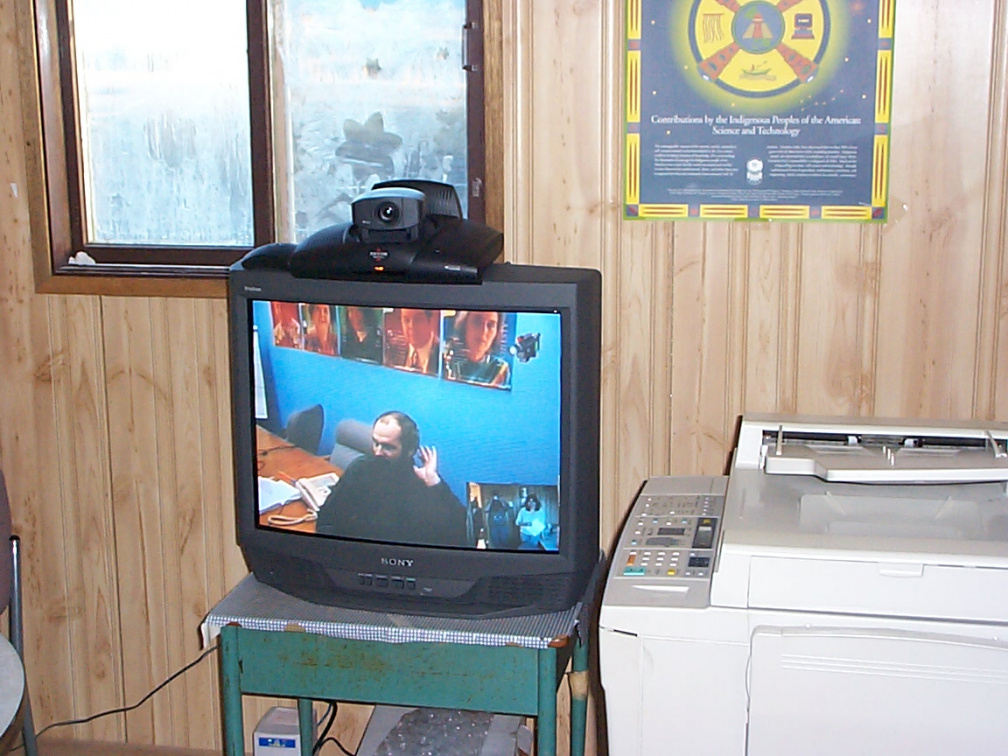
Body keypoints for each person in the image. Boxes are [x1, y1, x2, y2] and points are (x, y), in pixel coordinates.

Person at [315, 411, 468, 547]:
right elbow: (327, 517)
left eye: (388, 447)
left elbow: (461, 536)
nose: (378, 452)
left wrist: (435, 483)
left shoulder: (422, 484)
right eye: (376, 443)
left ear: (409, 450)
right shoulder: (360, 469)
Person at [445, 311, 510, 386]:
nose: (483, 332)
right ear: (464, 324)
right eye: (477, 322)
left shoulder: (500, 370)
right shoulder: (446, 360)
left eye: (491, 325)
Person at [391, 308, 440, 375]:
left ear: (431, 321)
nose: (411, 326)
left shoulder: (442, 354)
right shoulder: (392, 349)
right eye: (406, 320)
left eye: (418, 320)